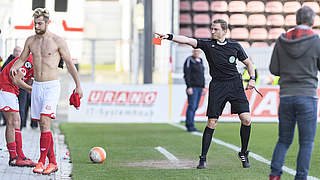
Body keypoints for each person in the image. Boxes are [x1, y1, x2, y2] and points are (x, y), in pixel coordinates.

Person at [156, 18, 256, 169]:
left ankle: (243, 153)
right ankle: (203, 158)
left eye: (216, 29)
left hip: (235, 85)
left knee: (247, 119)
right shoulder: (208, 45)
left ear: (224, 31)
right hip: (218, 86)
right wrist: (169, 36)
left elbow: (248, 63)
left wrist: (252, 79)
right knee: (212, 122)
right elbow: (188, 40)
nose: (212, 31)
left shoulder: (235, 46)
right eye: (212, 29)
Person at [10, 8, 83, 175]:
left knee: (44, 121)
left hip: (51, 86)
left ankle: (42, 161)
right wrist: (13, 70)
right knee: (44, 126)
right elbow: (21, 59)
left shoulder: (58, 41)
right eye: (35, 23)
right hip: (37, 86)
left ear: (47, 22)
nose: (37, 26)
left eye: (40, 23)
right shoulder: (30, 41)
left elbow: (70, 65)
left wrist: (78, 85)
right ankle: (53, 162)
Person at [269, 6, 320, 180]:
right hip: (307, 95)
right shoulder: (316, 40)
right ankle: (300, 177)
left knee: (283, 140)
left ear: (296, 20)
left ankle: (275, 175)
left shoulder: (281, 39)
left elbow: (274, 69)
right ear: (312, 21)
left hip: (286, 96)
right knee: (306, 142)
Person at [0, 54, 37, 167]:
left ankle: (17, 156)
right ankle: (16, 157)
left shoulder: (37, 62)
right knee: (13, 122)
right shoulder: (31, 60)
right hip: (6, 86)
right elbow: (16, 79)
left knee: (15, 122)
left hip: (11, 88)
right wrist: (31, 90)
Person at [183, 48, 205, 132]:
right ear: (193, 51)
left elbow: (202, 75)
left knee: (195, 106)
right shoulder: (189, 60)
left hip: (199, 87)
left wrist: (203, 87)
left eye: (198, 51)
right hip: (193, 87)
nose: (196, 52)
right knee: (192, 106)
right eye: (195, 51)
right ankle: (190, 125)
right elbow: (186, 74)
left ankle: (190, 123)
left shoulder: (201, 60)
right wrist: (189, 86)